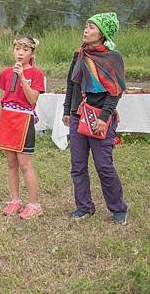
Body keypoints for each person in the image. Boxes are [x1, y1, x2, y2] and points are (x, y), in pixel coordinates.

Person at [62, 12, 128, 224]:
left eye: (91, 27)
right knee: (78, 165)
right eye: (86, 26)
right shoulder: (79, 55)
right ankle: (84, 207)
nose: (86, 30)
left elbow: (115, 91)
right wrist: (67, 111)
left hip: (101, 118)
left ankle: (118, 209)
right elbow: (72, 83)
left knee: (104, 166)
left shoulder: (113, 58)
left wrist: (104, 116)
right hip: (78, 115)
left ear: (102, 33)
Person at [0, 36, 45, 220]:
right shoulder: (6, 73)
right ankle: (15, 200)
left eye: (25, 50)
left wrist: (22, 77)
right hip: (7, 118)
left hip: (24, 119)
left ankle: (34, 204)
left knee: (25, 164)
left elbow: (33, 99)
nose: (20, 53)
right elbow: (2, 99)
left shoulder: (37, 74)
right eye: (17, 49)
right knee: (11, 164)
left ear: (32, 53)